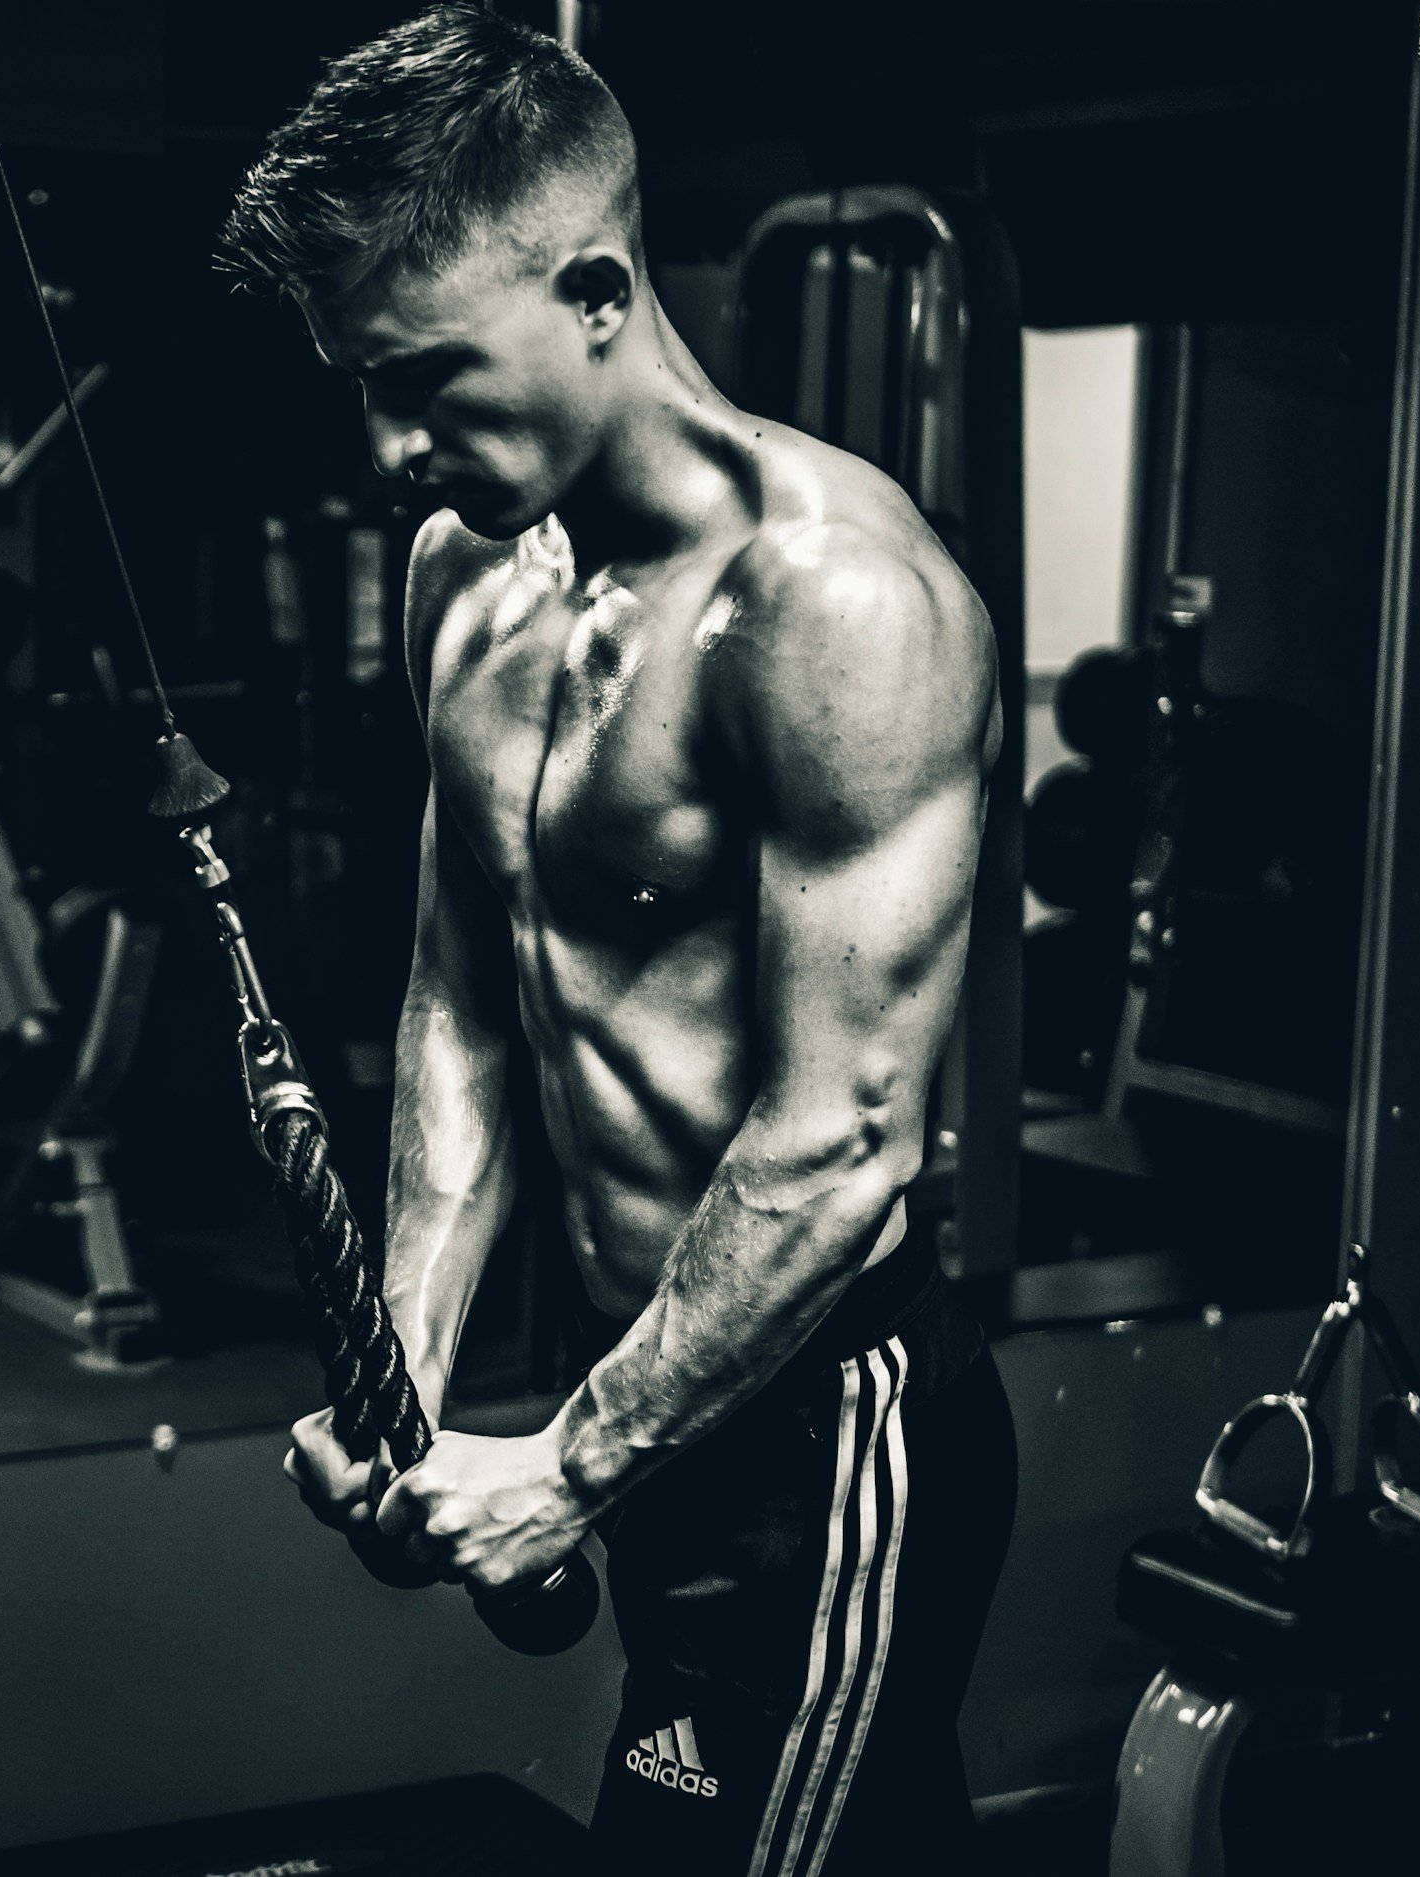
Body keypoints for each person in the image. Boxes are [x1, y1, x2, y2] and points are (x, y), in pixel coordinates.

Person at [221, 11, 1015, 1871]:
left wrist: (571, 1463)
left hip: (823, 1438)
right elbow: (464, 995)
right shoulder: (462, 575)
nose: (391, 447)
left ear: (595, 290)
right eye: (364, 387)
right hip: (639, 1390)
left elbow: (844, 1140)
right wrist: (405, 1368)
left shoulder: (836, 607)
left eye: (427, 380)